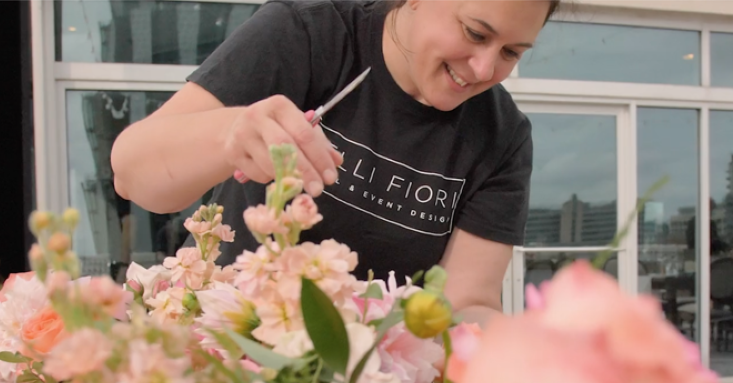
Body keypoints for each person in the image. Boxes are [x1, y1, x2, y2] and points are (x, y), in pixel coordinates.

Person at [110, 0, 560, 326]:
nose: (484, 69)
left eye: (511, 53)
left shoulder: (502, 135)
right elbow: (133, 176)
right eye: (476, 33)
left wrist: (532, 354)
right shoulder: (304, 35)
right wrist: (231, 133)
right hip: (233, 357)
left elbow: (466, 303)